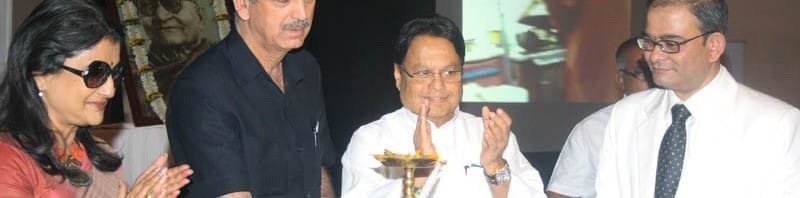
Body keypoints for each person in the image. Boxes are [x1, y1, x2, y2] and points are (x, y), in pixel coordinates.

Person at [595, 0, 800, 197]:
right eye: (649, 42)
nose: (654, 56)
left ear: (714, 47)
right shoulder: (627, 115)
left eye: (670, 43)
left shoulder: (777, 125)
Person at [0, 0, 192, 197]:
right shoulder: (8, 159)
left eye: (115, 74)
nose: (110, 90)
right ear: (40, 76)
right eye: (95, 73)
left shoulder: (100, 157)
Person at [341, 15, 547, 197]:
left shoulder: (491, 136)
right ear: (398, 75)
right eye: (424, 73)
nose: (438, 86)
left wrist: (495, 166)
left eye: (449, 72)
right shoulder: (371, 139)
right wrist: (421, 169)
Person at [165, 0, 336, 197]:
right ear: (243, 5)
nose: (302, 14)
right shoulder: (201, 91)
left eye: (308, 0)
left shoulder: (305, 66)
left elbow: (319, 172)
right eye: (283, 2)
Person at [547, 37, 655, 198]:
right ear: (620, 80)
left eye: (656, 71)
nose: (654, 81)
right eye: (643, 74)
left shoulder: (682, 119)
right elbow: (563, 193)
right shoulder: (593, 130)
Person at [132, 0, 212, 96]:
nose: (160, 16)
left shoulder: (222, 59)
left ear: (200, 17)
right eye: (149, 7)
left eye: (172, 4)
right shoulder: (134, 77)